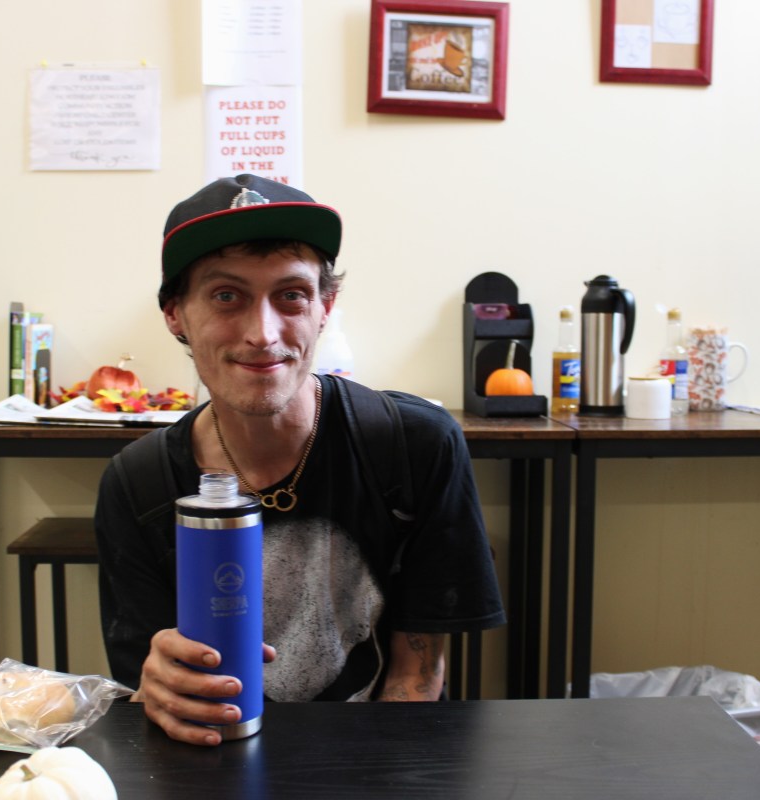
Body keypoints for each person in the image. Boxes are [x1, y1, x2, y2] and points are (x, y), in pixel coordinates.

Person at [94, 174, 504, 746]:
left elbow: (418, 674)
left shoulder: (415, 446)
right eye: (226, 295)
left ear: (324, 307)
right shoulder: (137, 486)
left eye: (290, 295)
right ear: (175, 314)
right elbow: (154, 686)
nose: (263, 334)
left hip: (380, 759)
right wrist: (157, 687)